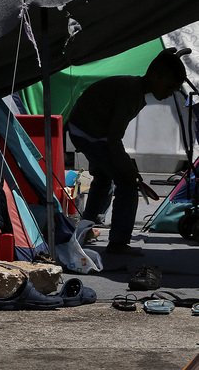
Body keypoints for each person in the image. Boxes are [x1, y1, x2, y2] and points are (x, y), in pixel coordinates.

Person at [68, 48, 188, 256]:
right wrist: (130, 172)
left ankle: (84, 230)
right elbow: (114, 140)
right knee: (126, 183)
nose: (171, 92)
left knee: (105, 177)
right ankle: (118, 243)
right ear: (155, 76)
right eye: (170, 86)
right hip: (90, 134)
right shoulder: (131, 93)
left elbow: (112, 141)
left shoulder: (135, 89)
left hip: (86, 130)